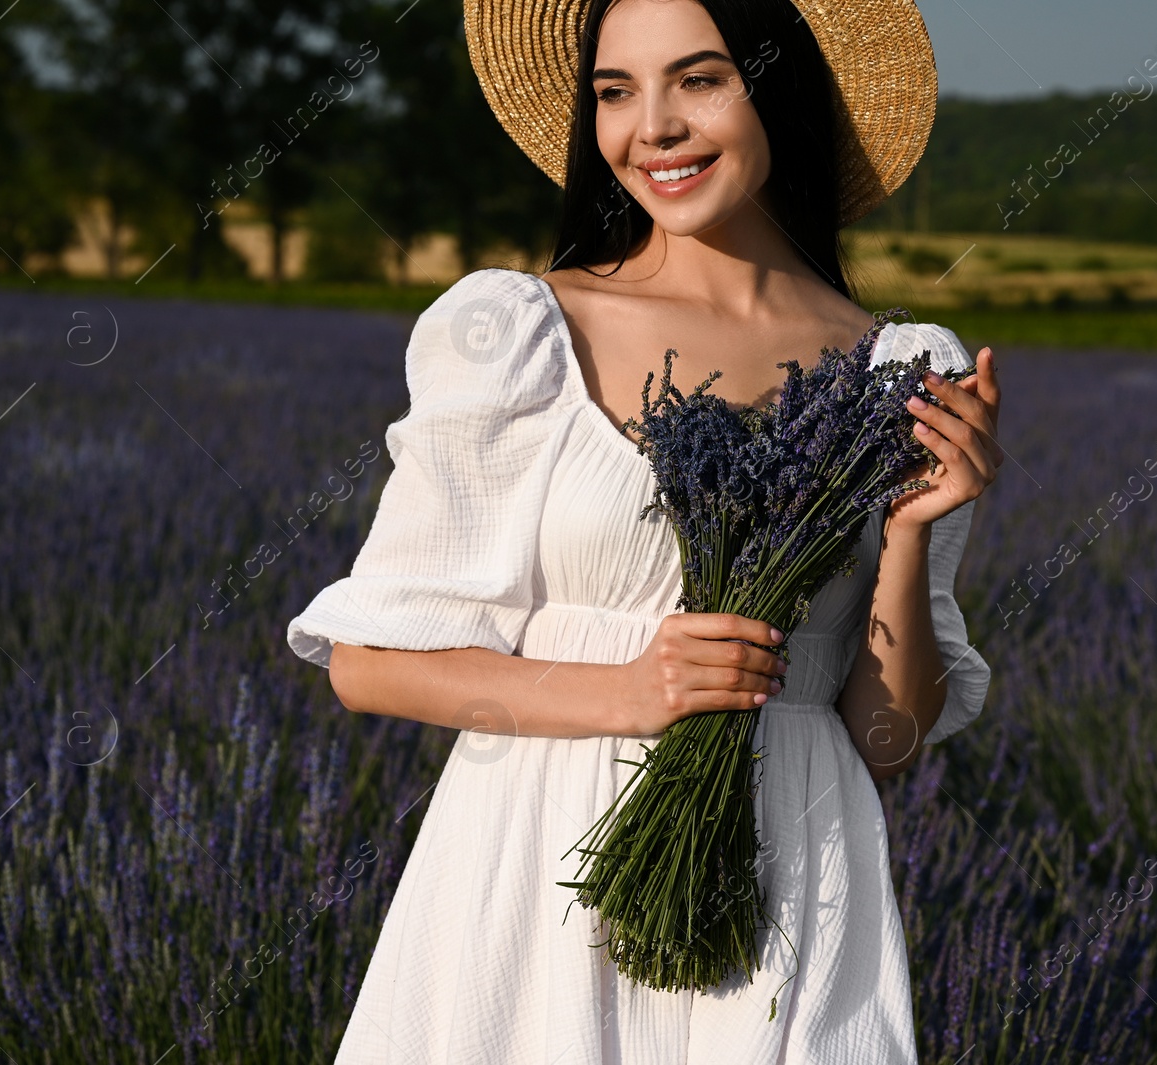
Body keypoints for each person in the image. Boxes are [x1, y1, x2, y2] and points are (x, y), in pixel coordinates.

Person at [286, 0, 1003, 1060]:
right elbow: (368, 664)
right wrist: (628, 691)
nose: (650, 126)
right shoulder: (519, 331)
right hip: (537, 874)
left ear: (780, 85)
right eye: (614, 91)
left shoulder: (905, 366)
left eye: (700, 79)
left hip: (795, 879)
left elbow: (883, 739)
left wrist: (908, 532)